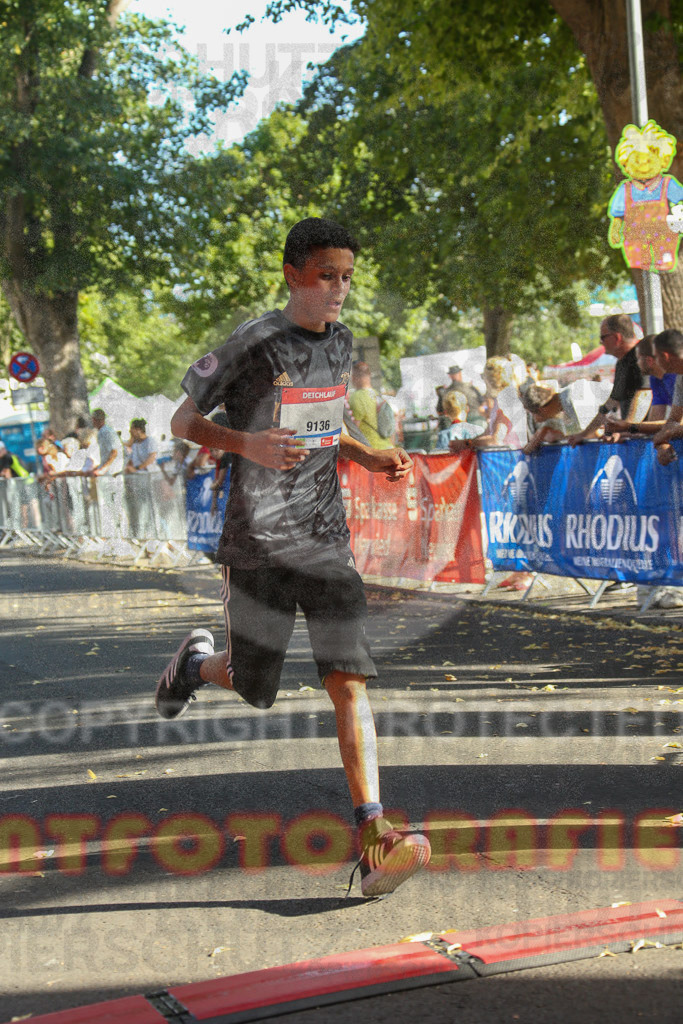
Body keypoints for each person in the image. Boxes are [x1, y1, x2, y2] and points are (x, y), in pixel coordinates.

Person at [154, 217, 431, 897]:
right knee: (252, 685)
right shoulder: (252, 342)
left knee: (348, 679)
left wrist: (365, 452)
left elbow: (325, 418)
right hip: (256, 543)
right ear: (292, 275)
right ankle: (192, 667)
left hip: (324, 538)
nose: (338, 290)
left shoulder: (339, 344)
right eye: (325, 276)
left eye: (346, 278)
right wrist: (245, 444)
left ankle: (372, 832)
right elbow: (181, 422)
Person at [566, 314, 648, 445]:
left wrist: (628, 429)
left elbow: (645, 395)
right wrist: (583, 434)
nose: (601, 343)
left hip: (648, 438)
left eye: (603, 337)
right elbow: (609, 404)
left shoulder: (641, 356)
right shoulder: (622, 362)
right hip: (638, 437)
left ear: (617, 338)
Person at [604, 334, 676, 439]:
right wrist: (621, 434)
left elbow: (677, 423)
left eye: (638, 359)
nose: (637, 363)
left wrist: (627, 427)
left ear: (649, 361)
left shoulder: (676, 377)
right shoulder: (655, 379)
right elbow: (654, 422)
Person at [521, 379, 610, 454]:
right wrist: (544, 433)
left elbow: (596, 435)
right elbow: (528, 449)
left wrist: (561, 437)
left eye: (533, 414)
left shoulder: (572, 400)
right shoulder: (562, 402)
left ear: (541, 409)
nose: (536, 421)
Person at [348, 360, 393, 449]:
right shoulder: (377, 395)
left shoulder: (356, 397)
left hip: (373, 452)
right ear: (369, 376)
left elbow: (353, 431)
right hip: (388, 448)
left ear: (353, 378)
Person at [436, 365, 484, 429]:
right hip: (476, 421)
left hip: (458, 424)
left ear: (450, 376)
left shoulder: (446, 392)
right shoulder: (470, 387)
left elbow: (439, 411)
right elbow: (483, 404)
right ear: (460, 373)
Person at [91, 409, 124, 476]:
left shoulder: (107, 432)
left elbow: (114, 452)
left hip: (113, 472)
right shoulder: (101, 432)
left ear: (94, 419)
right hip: (108, 470)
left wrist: (103, 469)